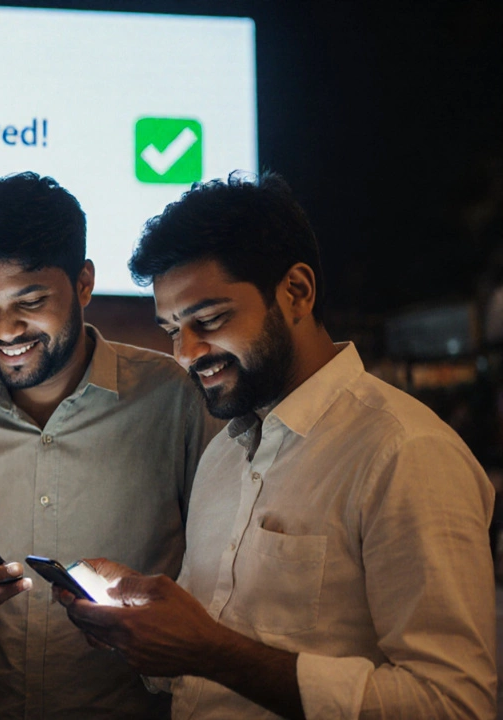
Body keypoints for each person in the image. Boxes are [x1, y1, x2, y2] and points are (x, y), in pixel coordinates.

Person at [57, 172, 497, 718]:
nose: (186, 353)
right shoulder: (223, 453)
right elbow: (203, 661)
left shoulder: (406, 453)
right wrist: (145, 625)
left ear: (296, 292)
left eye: (210, 319)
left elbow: (455, 705)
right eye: (172, 328)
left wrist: (212, 654)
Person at [0, 172, 222, 718]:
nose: (4, 329)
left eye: (29, 301)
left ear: (83, 285)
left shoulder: (174, 399)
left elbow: (229, 582)